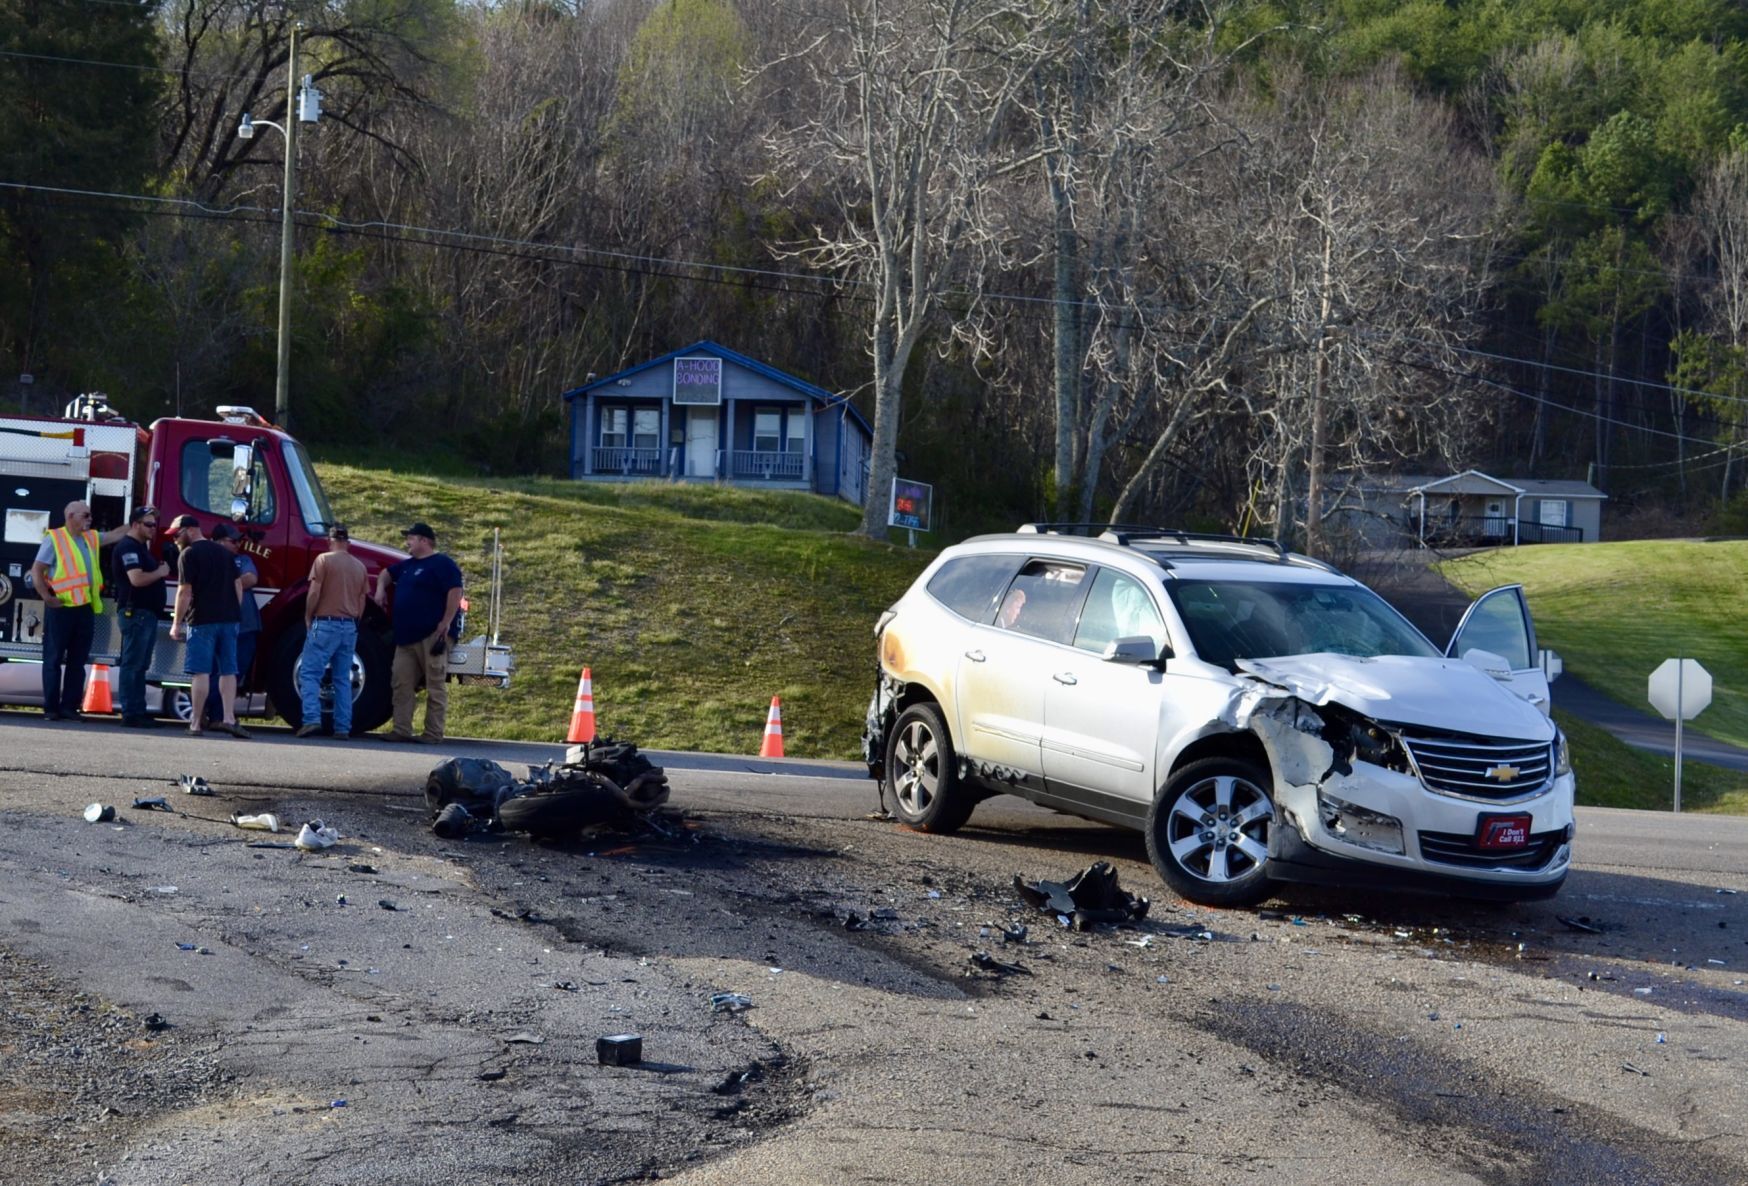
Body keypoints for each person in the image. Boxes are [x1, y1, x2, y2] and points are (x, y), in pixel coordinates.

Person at [30, 500, 129, 721]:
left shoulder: (90, 538)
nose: (90, 519)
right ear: (71, 516)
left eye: (90, 515)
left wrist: (138, 520)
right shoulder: (54, 538)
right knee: (53, 659)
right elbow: (37, 569)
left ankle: (69, 707)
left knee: (77, 662)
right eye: (85, 515)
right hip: (62, 607)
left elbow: (114, 535)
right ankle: (51, 708)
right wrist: (47, 597)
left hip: (84, 609)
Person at [374, 521, 462, 743]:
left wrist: (446, 622)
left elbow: (455, 591)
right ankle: (401, 729)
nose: (407, 542)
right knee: (400, 683)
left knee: (435, 684)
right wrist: (380, 589)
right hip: (405, 638)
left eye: (411, 538)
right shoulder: (407, 565)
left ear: (424, 540)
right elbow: (385, 573)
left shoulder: (443, 564)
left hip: (432, 635)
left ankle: (433, 733)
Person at [168, 515, 250, 739]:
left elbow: (185, 591)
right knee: (228, 670)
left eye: (177, 534)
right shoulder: (225, 553)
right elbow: (238, 585)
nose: (175, 539)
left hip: (202, 620)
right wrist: (235, 611)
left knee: (201, 672)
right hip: (229, 620)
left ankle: (195, 722)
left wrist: (176, 624)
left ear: (190, 530)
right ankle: (229, 718)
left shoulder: (188, 554)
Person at [298, 523, 369, 739]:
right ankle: (342, 728)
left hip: (325, 622)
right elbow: (362, 599)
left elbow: (314, 592)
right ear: (347, 542)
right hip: (349, 625)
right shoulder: (359, 566)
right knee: (342, 679)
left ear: (330, 541)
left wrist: (308, 615)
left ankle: (311, 719)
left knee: (309, 673)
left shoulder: (323, 560)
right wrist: (355, 620)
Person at [110, 505, 171, 727]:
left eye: (154, 524)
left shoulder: (140, 547)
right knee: (133, 665)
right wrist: (160, 572)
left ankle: (138, 710)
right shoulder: (128, 548)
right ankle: (131, 713)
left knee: (140, 665)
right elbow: (136, 579)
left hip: (145, 614)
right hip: (136, 613)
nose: (153, 528)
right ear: (135, 524)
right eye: (148, 524)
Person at [201, 523, 260, 728]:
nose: (237, 545)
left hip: (245, 627)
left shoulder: (243, 560)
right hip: (218, 624)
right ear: (217, 542)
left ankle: (216, 715)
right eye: (232, 541)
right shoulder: (206, 560)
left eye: (238, 541)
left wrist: (224, 581)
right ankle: (205, 708)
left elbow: (251, 578)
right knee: (220, 672)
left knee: (236, 672)